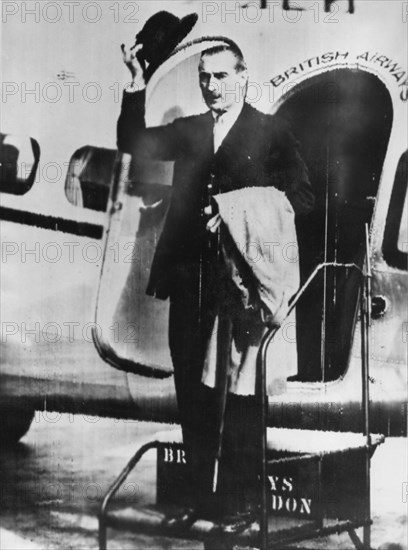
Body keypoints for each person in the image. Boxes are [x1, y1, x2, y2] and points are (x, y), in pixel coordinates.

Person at [118, 29, 314, 546]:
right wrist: (135, 87)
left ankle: (241, 503)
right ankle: (200, 500)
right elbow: (134, 145)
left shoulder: (271, 131)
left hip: (240, 283)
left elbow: (303, 197)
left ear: (243, 78)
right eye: (204, 77)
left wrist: (238, 212)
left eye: (221, 76)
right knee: (192, 392)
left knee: (243, 397)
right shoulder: (189, 130)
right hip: (190, 278)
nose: (211, 85)